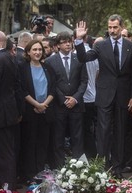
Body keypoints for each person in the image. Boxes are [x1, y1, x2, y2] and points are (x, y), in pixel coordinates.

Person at [75, 14, 132, 178]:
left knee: (120, 132)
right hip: (104, 94)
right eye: (110, 27)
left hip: (123, 95)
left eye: (115, 27)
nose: (112, 30)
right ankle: (103, 168)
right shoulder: (100, 45)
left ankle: (117, 168)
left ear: (121, 26)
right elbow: (83, 58)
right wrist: (79, 40)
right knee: (103, 132)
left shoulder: (131, 46)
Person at [45, 31, 87, 168]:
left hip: (76, 105)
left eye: (69, 41)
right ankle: (59, 169)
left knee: (78, 138)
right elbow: (52, 83)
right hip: (59, 105)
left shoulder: (79, 59)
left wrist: (75, 98)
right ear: (57, 45)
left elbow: (84, 81)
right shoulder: (51, 61)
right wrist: (63, 99)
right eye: (64, 42)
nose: (68, 44)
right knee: (58, 139)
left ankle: (78, 169)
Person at [19, 40, 55, 182]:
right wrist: (36, 104)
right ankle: (29, 175)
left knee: (42, 144)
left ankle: (40, 173)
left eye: (40, 49)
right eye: (34, 50)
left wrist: (44, 104)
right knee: (29, 143)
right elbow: (22, 89)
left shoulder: (48, 68)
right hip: (30, 111)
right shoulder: (22, 68)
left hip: (46, 111)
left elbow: (53, 88)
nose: (37, 52)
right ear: (28, 52)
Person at [0, 31, 21, 190]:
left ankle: (7, 189)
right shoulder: (11, 57)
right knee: (8, 151)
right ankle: (9, 186)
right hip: (10, 112)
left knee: (3, 154)